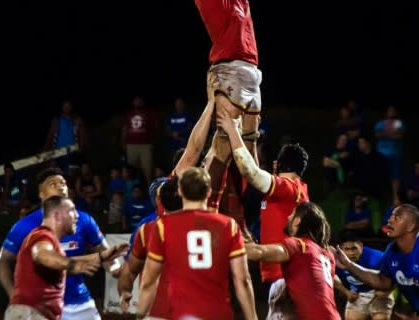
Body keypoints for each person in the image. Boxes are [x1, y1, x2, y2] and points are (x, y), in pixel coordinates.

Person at [195, 0, 262, 235]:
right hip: (227, 70)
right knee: (223, 147)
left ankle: (246, 217)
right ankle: (206, 210)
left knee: (250, 149)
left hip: (250, 72)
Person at [0, 167, 122, 320]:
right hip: (39, 306)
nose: (61, 186)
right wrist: (13, 295)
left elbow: (107, 256)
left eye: (63, 183)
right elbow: (7, 261)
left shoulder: (82, 219)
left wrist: (117, 269)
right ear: (41, 194)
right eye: (52, 184)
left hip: (80, 302)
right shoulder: (26, 226)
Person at [135, 167, 257, 320]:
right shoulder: (229, 225)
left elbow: (149, 281)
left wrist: (140, 315)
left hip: (183, 314)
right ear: (208, 192)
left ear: (180, 192)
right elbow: (243, 280)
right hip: (218, 314)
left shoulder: (163, 227)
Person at [216, 110, 309, 284]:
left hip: (287, 276)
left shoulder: (290, 188)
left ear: (278, 163)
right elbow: (254, 169)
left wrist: (232, 130)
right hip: (281, 274)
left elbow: (250, 171)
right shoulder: (290, 191)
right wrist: (252, 132)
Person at [245, 201, 341, 320]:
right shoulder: (327, 255)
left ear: (298, 220)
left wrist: (232, 242)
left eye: (292, 214)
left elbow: (258, 253)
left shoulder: (300, 245)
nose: (288, 217)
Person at [117, 177, 182, 317]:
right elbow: (130, 270)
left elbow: (129, 270)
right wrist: (125, 291)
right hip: (160, 308)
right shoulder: (145, 228)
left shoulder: (146, 228)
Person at [333, 229, 395, 320]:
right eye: (347, 249)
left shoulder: (378, 258)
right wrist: (346, 292)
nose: (351, 253)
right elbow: (330, 275)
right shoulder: (336, 259)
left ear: (361, 246)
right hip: (358, 294)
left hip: (378, 293)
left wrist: (387, 292)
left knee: (380, 318)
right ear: (341, 249)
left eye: (354, 248)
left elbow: (395, 274)